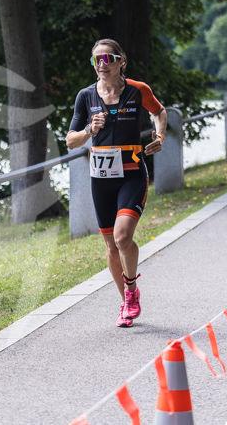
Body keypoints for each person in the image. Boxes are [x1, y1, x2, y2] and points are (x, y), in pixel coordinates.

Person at [65, 38, 167, 327]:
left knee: (123, 237)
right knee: (111, 246)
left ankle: (131, 289)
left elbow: (159, 112)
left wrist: (160, 136)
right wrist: (89, 130)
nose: (101, 64)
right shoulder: (86, 96)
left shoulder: (137, 90)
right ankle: (126, 302)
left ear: (122, 61)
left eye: (107, 58)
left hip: (132, 174)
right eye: (96, 59)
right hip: (101, 180)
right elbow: (70, 141)